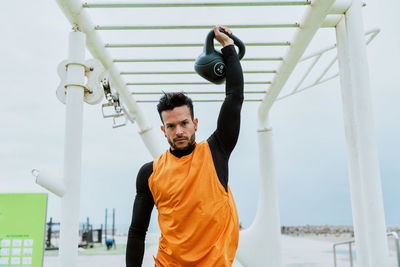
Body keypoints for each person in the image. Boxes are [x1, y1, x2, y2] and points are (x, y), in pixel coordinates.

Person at [126, 25, 244, 267]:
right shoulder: (149, 173)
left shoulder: (216, 152)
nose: (178, 131)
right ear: (163, 130)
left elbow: (234, 96)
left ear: (195, 124)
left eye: (184, 123)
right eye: (171, 126)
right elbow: (137, 231)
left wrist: (228, 48)